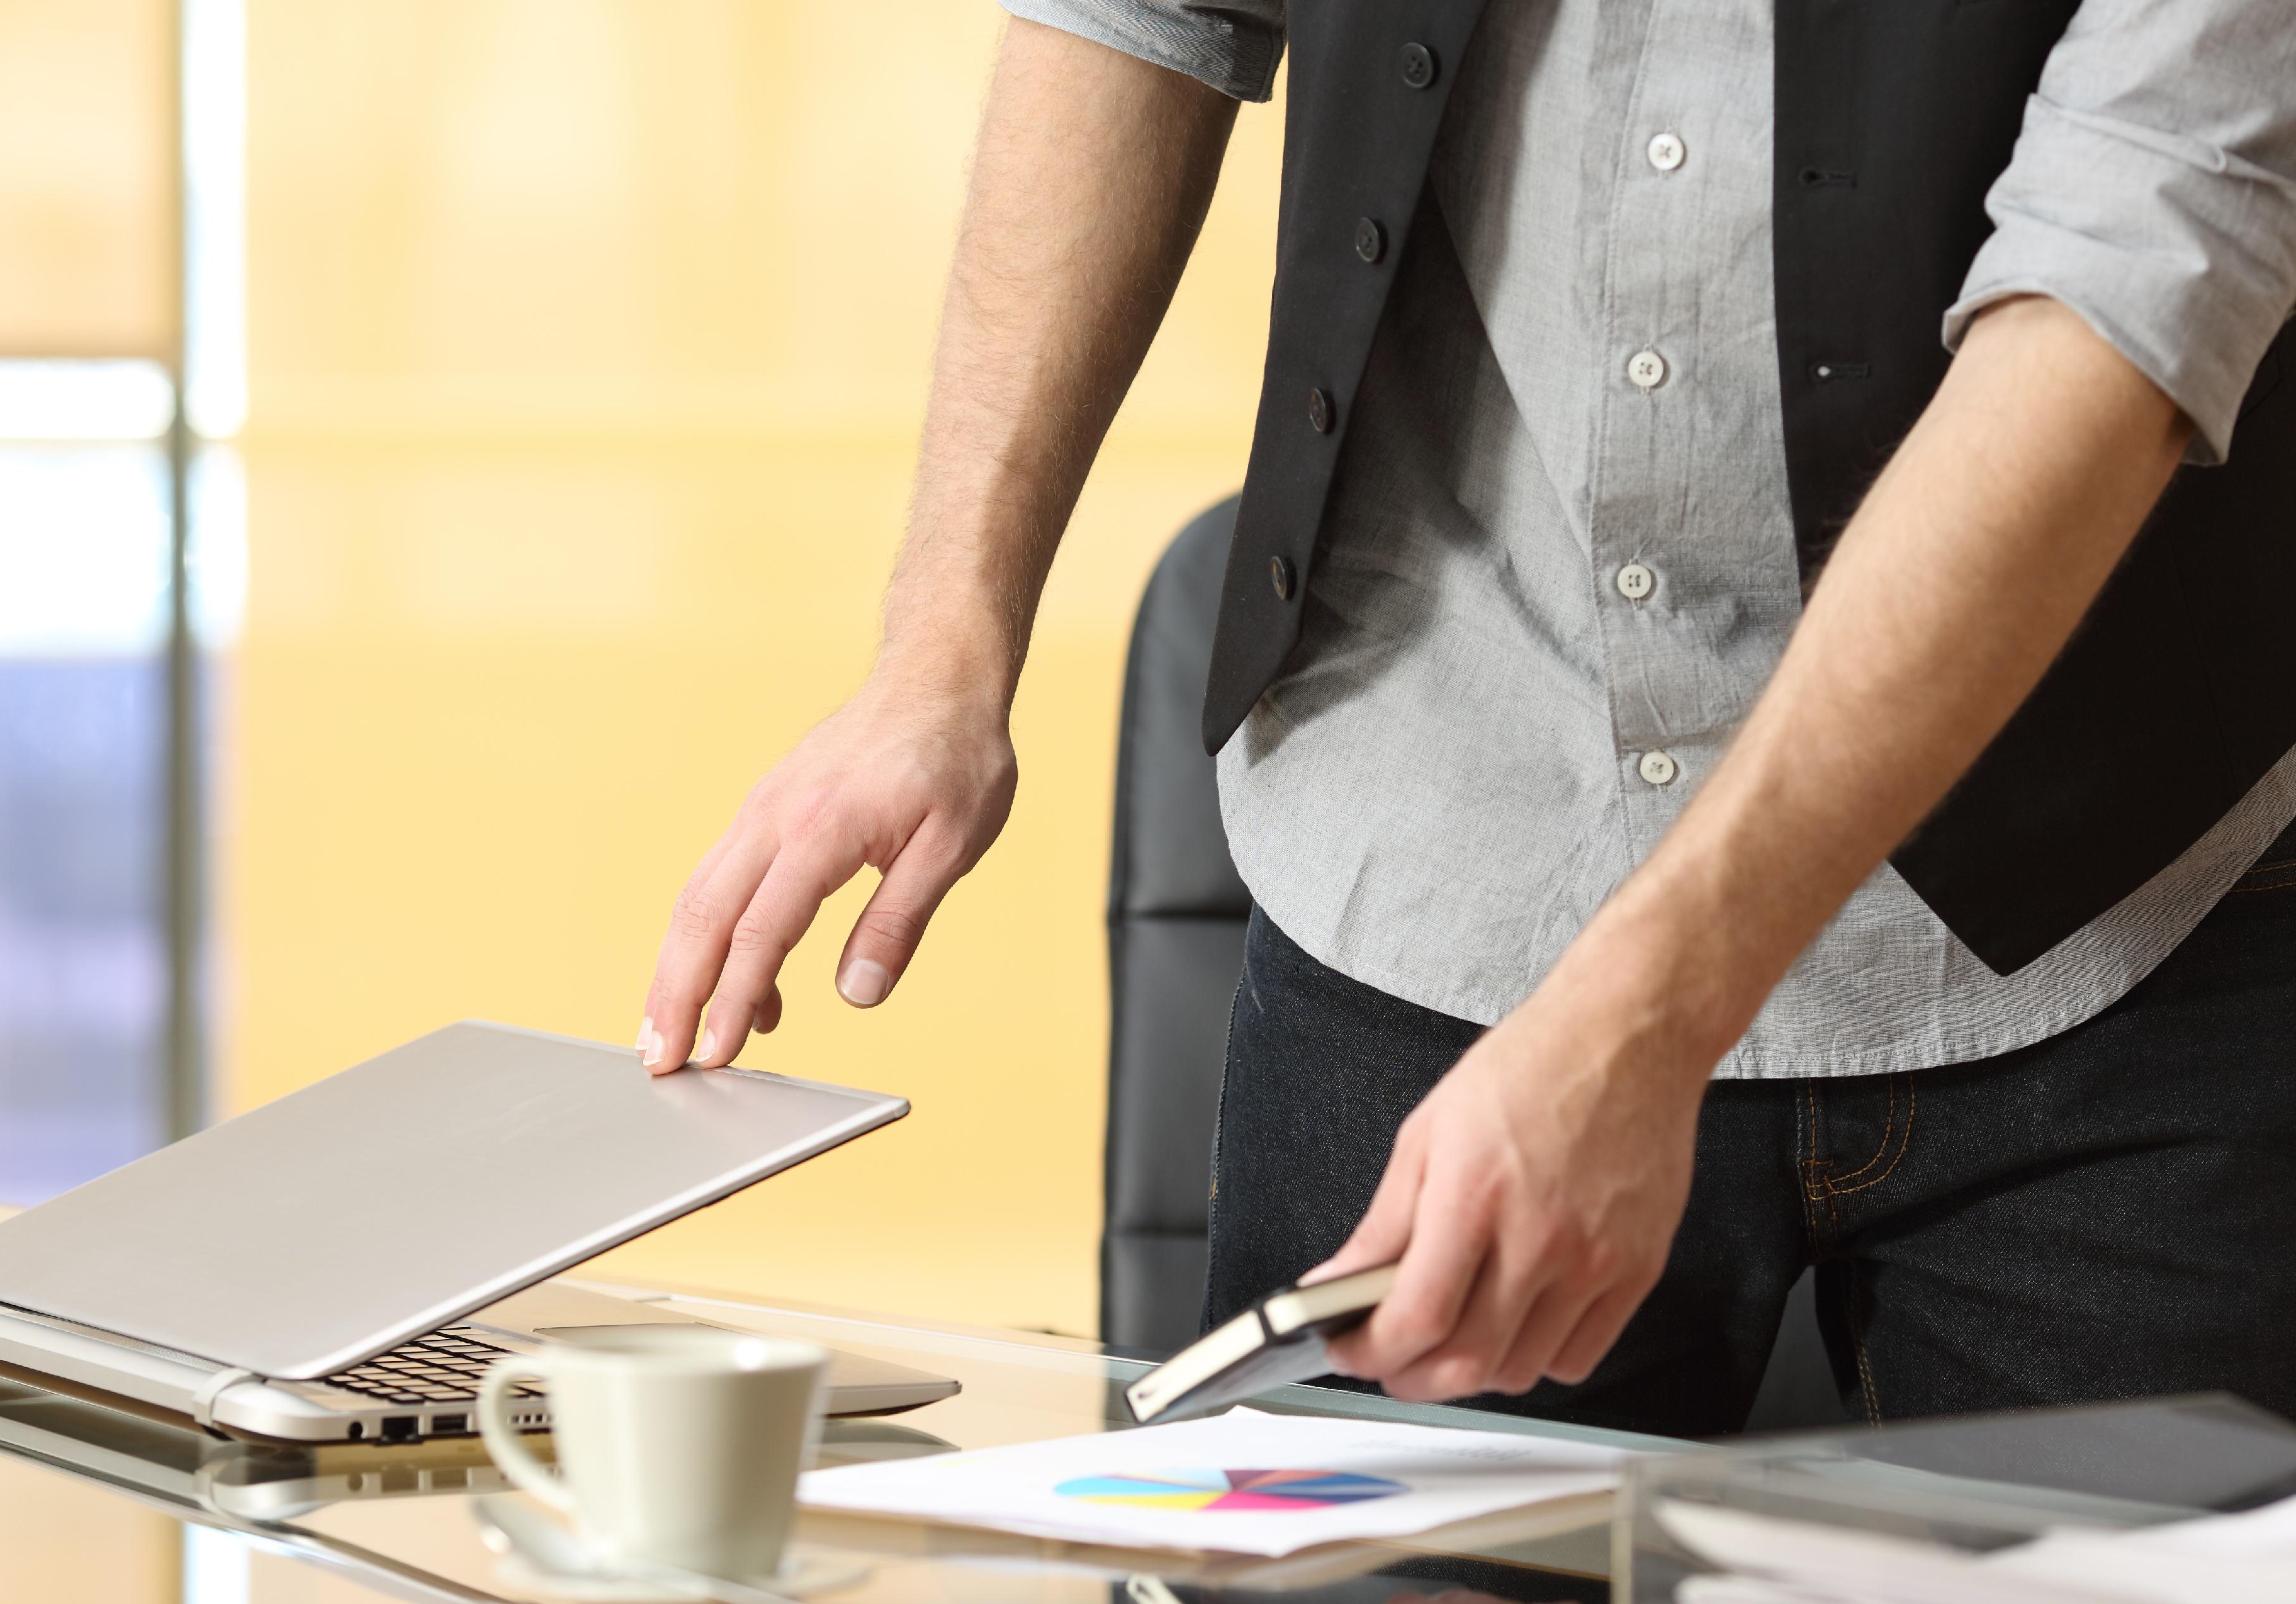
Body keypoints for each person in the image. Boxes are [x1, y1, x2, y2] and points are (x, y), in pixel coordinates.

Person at [641, 2, 2296, 1434]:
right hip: (1453, 842)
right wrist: (943, 639)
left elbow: (2125, 287)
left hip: (2119, 925)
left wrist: (1640, 1022)